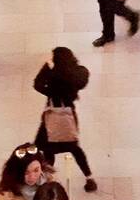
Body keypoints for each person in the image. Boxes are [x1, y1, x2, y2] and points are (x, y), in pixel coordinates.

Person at [32, 47, 97, 191]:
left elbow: (37, 85)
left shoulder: (52, 72)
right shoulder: (78, 71)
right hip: (68, 113)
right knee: (74, 147)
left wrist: (47, 69)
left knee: (48, 149)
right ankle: (89, 177)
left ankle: (48, 181)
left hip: (52, 114)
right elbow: (82, 82)